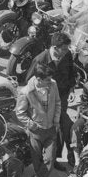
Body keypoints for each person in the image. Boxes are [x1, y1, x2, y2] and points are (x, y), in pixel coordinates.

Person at [25, 32, 77, 168]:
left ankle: (54, 159)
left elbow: (72, 73)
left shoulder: (67, 55)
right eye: (64, 49)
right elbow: (29, 81)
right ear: (55, 47)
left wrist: (71, 90)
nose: (67, 51)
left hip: (62, 98)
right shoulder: (40, 60)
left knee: (60, 128)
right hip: (43, 103)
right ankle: (40, 160)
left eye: (67, 49)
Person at [15, 63, 61, 177]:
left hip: (51, 128)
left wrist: (56, 121)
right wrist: (32, 125)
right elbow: (20, 113)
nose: (50, 81)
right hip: (36, 131)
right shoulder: (25, 92)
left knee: (50, 158)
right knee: (36, 159)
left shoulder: (53, 84)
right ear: (39, 79)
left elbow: (57, 103)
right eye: (47, 80)